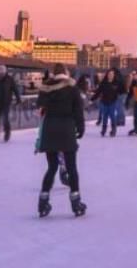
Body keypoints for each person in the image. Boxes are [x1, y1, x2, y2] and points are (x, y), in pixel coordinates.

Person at [36, 64, 86, 218]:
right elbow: (78, 110)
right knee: (71, 167)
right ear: (65, 73)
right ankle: (76, 201)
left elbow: (40, 107)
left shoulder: (45, 88)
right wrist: (80, 127)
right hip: (66, 129)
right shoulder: (72, 88)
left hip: (50, 129)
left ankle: (43, 201)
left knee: (52, 167)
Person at [0, 65, 22, 143]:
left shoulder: (9, 80)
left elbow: (15, 90)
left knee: (5, 119)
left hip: (6, 102)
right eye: (0, 73)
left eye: (2, 73)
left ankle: (7, 134)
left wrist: (18, 99)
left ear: (5, 72)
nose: (1, 74)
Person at [91, 68, 123, 137]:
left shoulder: (116, 83)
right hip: (104, 102)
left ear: (114, 75)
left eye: (112, 74)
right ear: (107, 75)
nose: (110, 75)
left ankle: (113, 129)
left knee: (112, 116)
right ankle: (104, 129)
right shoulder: (104, 83)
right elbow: (98, 92)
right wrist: (92, 99)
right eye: (109, 74)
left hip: (113, 102)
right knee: (104, 116)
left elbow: (121, 90)